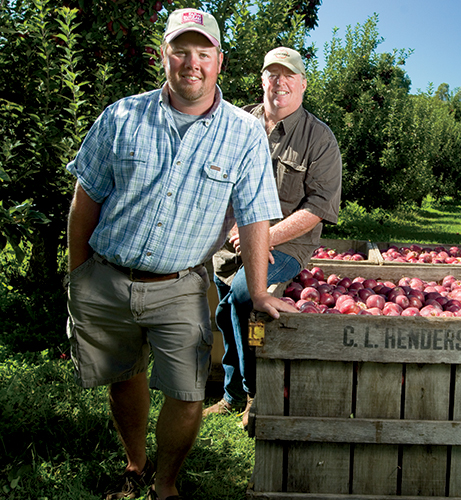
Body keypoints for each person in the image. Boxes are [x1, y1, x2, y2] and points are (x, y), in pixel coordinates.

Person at [65, 9, 297, 500]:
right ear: (164, 55)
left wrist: (258, 291)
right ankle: (136, 463)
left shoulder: (243, 132)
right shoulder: (123, 115)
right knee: (123, 378)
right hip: (107, 275)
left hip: (180, 284)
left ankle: (165, 485)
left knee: (189, 393)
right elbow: (86, 200)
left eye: (203, 53)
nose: (192, 63)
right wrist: (78, 275)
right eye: (181, 51)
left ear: (219, 61)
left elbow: (256, 217)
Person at [203, 47, 342, 425]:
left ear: (303, 84)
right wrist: (233, 227)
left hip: (286, 243)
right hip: (231, 238)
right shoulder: (238, 123)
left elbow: (319, 208)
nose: (280, 83)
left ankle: (254, 394)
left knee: (245, 297)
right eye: (272, 74)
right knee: (225, 308)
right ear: (262, 80)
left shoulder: (319, 139)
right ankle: (231, 392)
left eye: (289, 75)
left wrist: (264, 239)